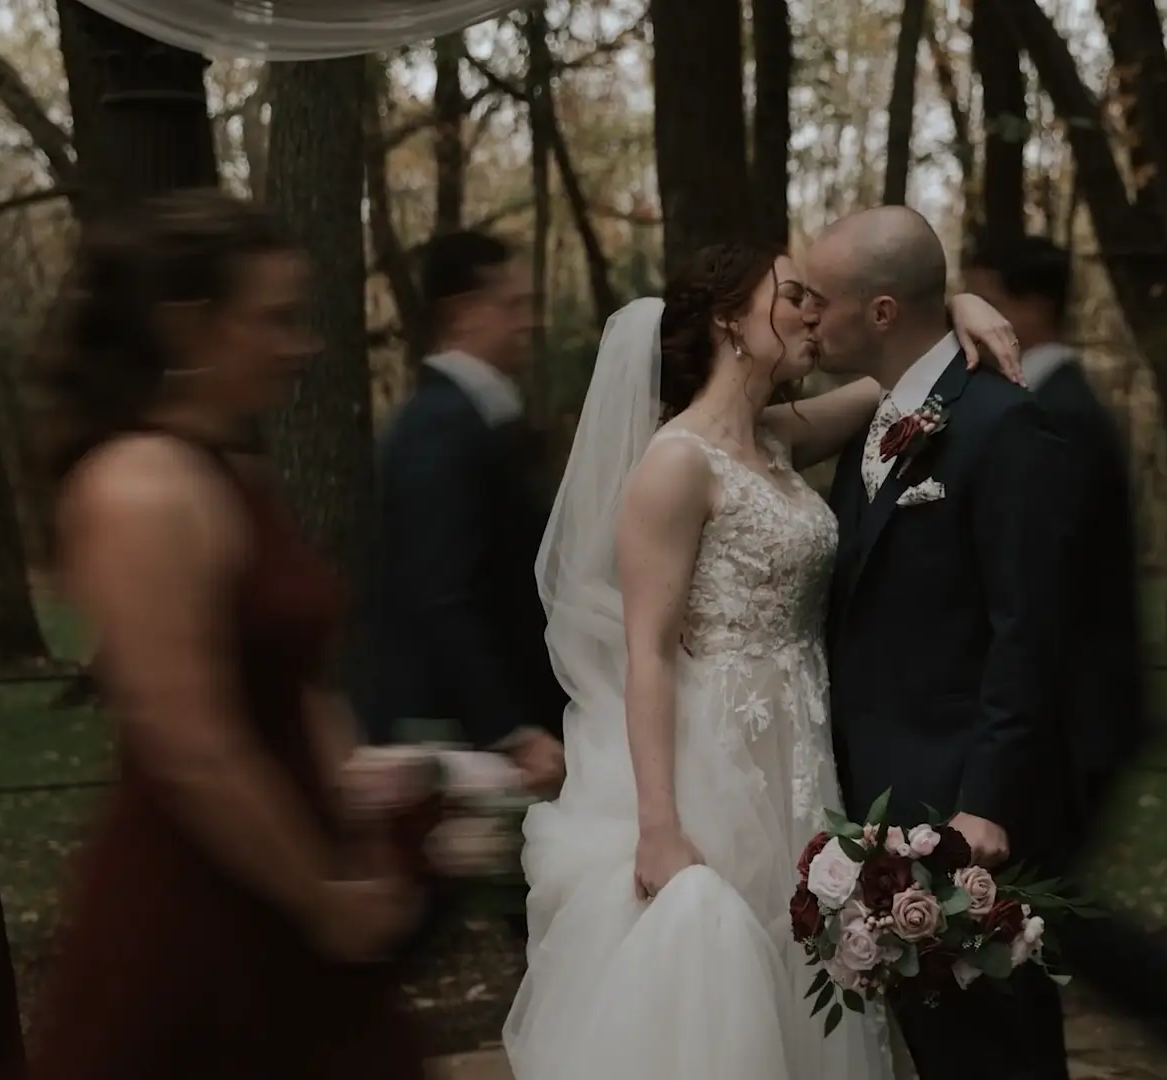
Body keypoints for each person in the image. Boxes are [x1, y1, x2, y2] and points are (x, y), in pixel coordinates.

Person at [502, 240, 1018, 1080]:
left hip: (802, 763)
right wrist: (659, 827)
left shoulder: (774, 439)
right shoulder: (675, 463)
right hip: (715, 764)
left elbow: (892, 377)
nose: (812, 314)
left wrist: (953, 305)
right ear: (729, 322)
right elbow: (646, 654)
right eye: (792, 297)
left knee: (806, 971)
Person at [15, 189, 423, 1080]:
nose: (302, 345)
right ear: (188, 326)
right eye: (273, 319)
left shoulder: (233, 473)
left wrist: (364, 825)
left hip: (299, 877)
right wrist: (318, 897)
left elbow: (298, 682)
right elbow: (193, 746)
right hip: (204, 902)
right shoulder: (136, 489)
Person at [964, 235, 1167, 1077]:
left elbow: (1046, 583)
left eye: (985, 292)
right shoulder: (1047, 403)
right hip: (1074, 708)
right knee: (1035, 895)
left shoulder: (1059, 414)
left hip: (1078, 714)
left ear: (1031, 306)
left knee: (1043, 894)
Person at [806, 206, 1079, 1080]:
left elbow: (1030, 629)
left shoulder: (1003, 424)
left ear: (882, 312)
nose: (808, 316)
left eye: (820, 300)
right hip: (872, 811)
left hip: (965, 813)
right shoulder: (877, 419)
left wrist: (987, 800)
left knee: (998, 1054)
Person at [357, 229, 566, 785]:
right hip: (450, 736)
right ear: (463, 313)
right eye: (513, 305)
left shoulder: (476, 418)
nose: (528, 322)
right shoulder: (437, 426)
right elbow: (443, 592)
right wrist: (510, 730)